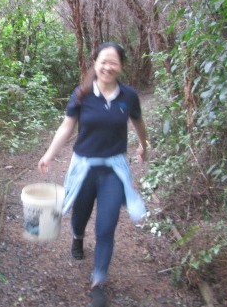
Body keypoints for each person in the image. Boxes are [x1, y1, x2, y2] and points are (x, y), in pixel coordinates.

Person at [37, 42, 148, 307]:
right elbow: (67, 127)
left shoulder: (129, 96)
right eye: (103, 61)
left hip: (113, 170)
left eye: (114, 62)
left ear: (121, 66)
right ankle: (77, 237)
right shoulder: (82, 94)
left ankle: (98, 282)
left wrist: (144, 145)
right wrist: (49, 154)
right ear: (95, 63)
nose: (108, 67)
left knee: (106, 226)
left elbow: (138, 122)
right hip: (84, 167)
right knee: (80, 215)